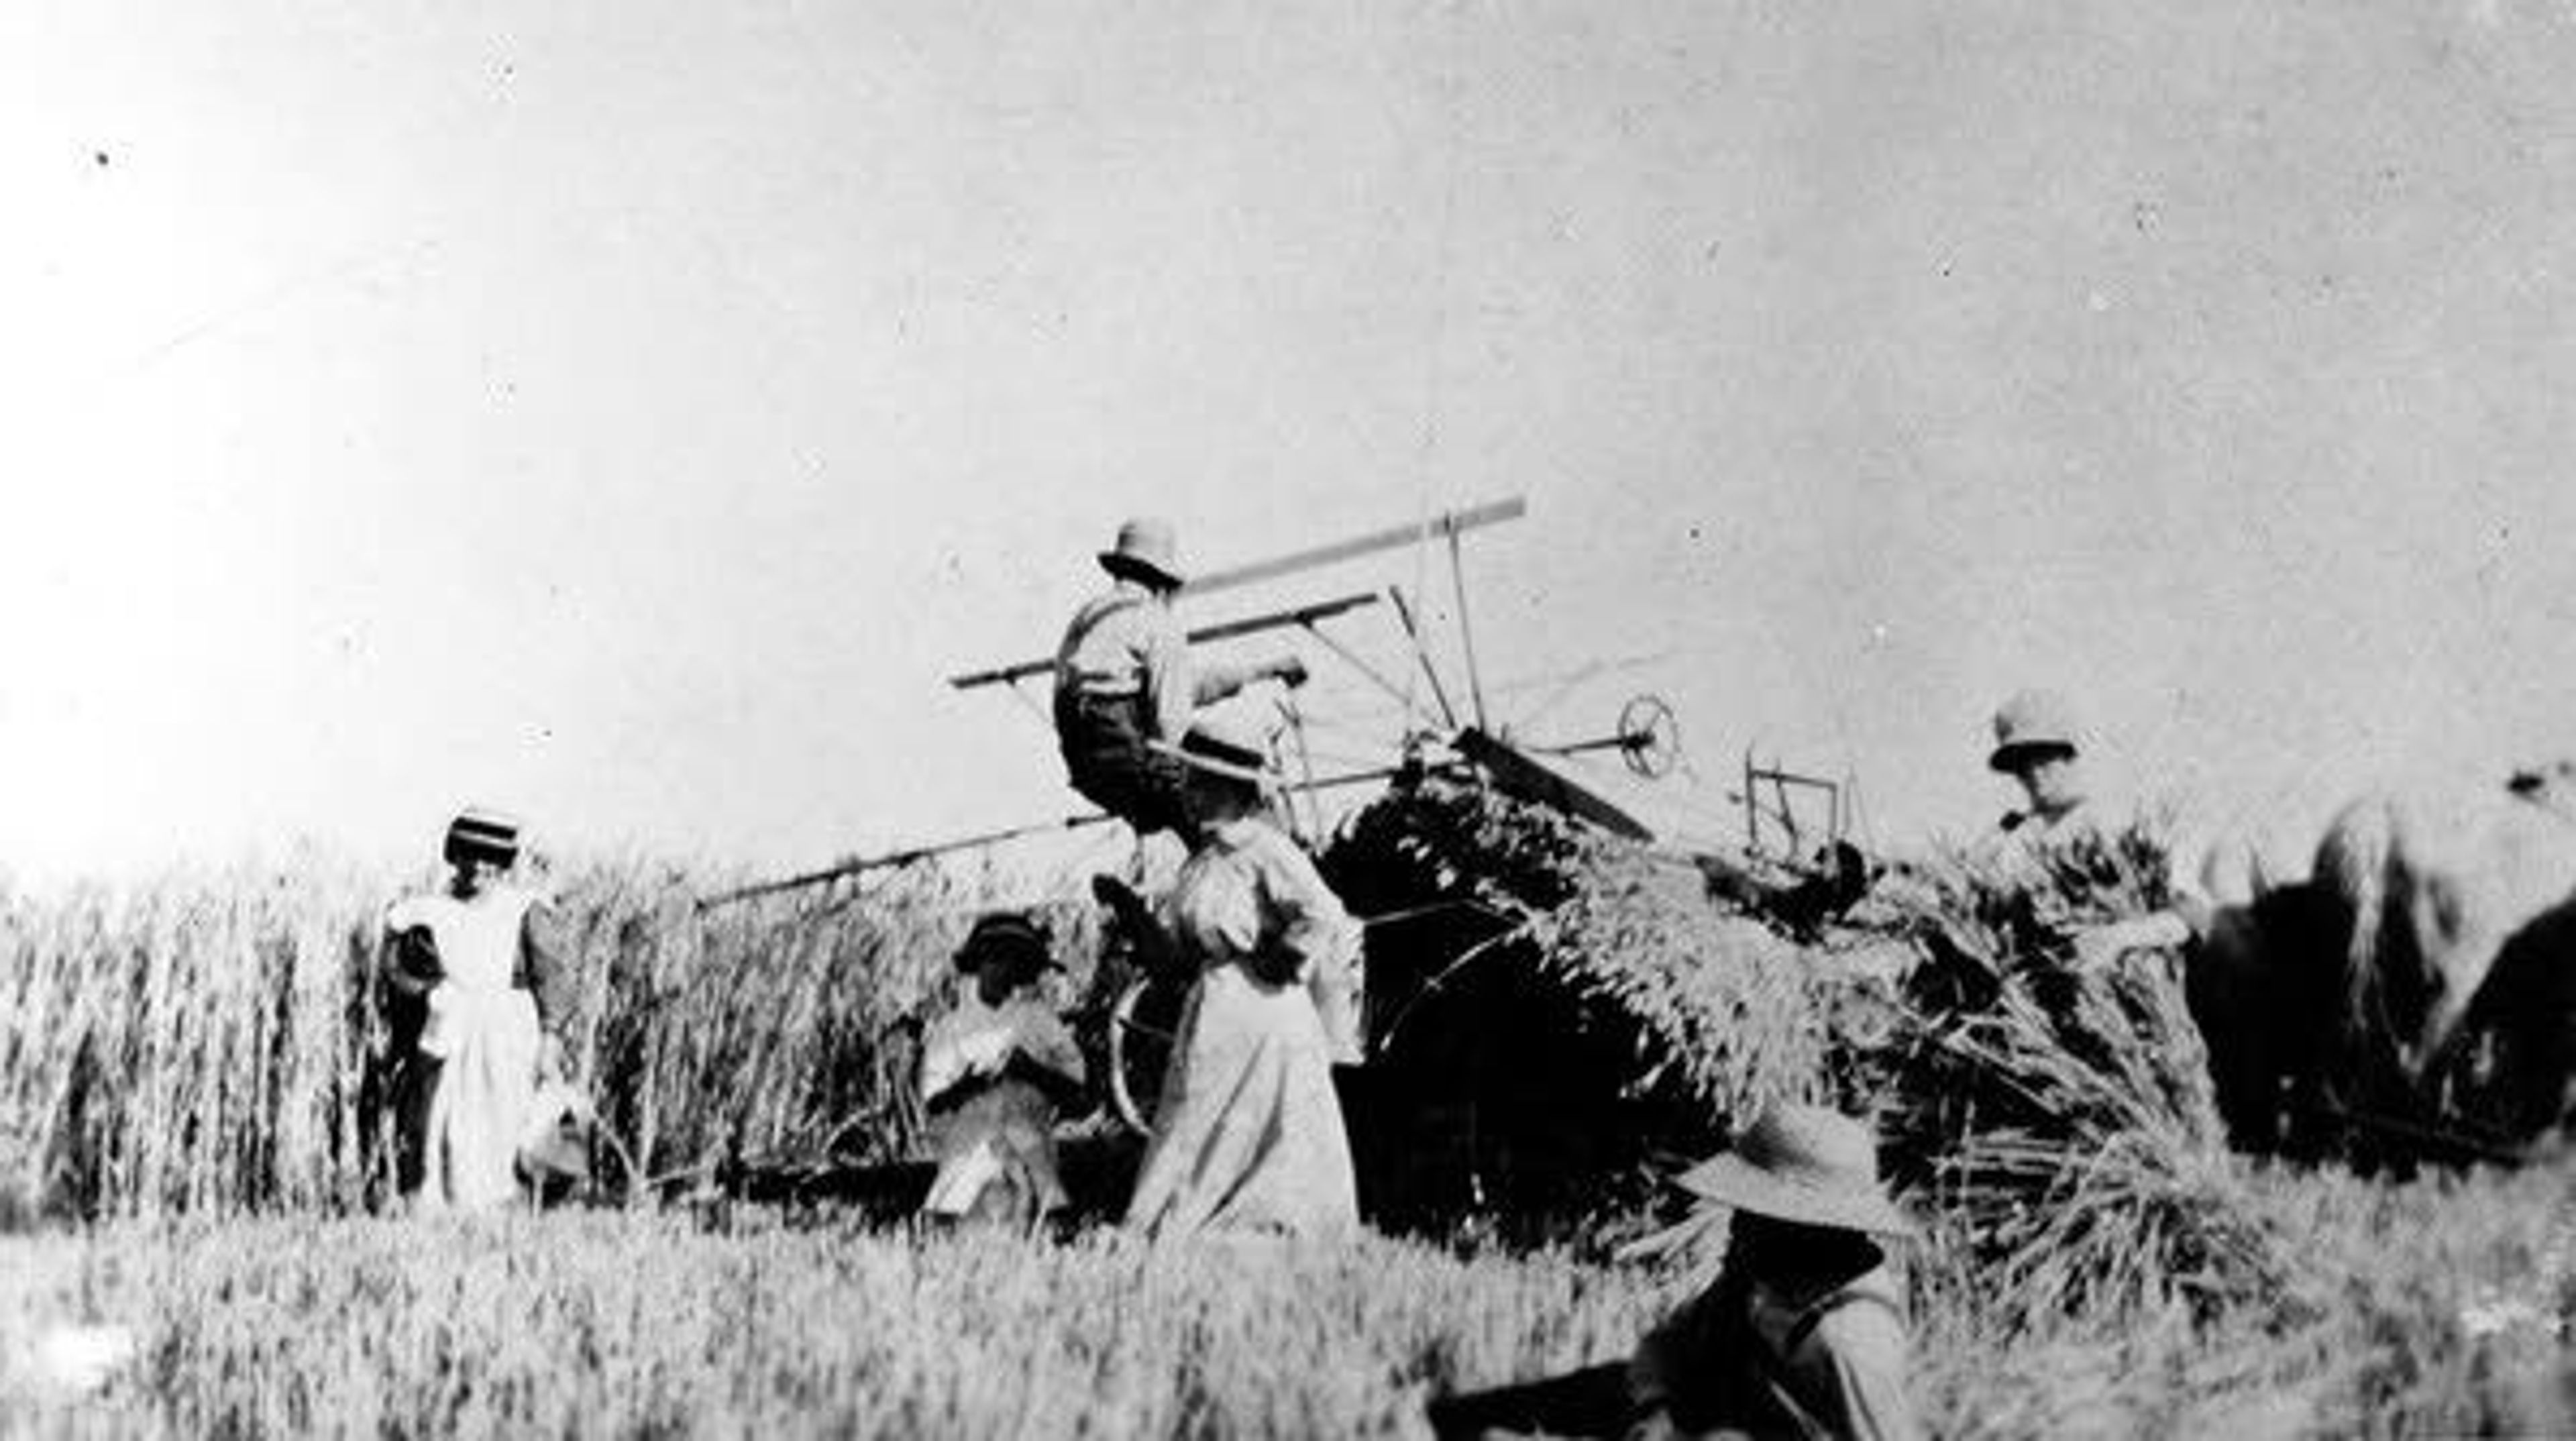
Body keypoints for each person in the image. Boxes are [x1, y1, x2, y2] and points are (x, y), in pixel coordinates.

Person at [1427, 1103, 1921, 1441]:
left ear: (1807, 1229)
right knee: (1468, 1419)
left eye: (1755, 1214)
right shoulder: (1760, 1274)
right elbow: (1669, 1344)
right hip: (1691, 1410)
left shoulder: (1852, 1343)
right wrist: (1655, 1410)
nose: (1735, 1226)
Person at [1122, 709, 1364, 1238]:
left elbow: (1323, 910)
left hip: (1264, 1008)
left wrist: (1285, 954)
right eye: (1189, 780)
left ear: (1231, 787)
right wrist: (1129, 911)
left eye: (1200, 781)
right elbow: (1179, 956)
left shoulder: (1264, 849)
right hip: (1215, 1004)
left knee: (1260, 1124)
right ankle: (1180, 1219)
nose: (1189, 791)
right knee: (1198, 1111)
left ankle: (1264, 1226)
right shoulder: (1202, 861)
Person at [1053, 517, 1309, 838]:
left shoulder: (1089, 617)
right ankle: (1277, 861)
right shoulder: (1157, 622)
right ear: (1164, 583)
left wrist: (1262, 670)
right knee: (1230, 791)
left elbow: (1178, 686)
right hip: (1128, 754)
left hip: (1085, 764)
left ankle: (1186, 876)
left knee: (1182, 815)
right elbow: (1172, 719)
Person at [379, 808, 577, 1212]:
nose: (478, 867)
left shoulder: (525, 909)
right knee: (448, 1116)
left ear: (503, 864)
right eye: (469, 855)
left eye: (490, 858)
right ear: (455, 856)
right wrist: (430, 992)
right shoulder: (428, 910)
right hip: (451, 1025)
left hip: (509, 1028)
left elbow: (551, 977)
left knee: (506, 1112)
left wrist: (551, 1037)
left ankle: (509, 1206)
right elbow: (397, 968)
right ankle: (450, 1205)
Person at [1980, 688, 2201, 967]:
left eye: (2045, 756)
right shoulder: (2005, 841)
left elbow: (2194, 912)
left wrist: (2121, 936)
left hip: (2134, 989)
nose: (2034, 772)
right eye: (2021, 762)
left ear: (2070, 755)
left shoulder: (2122, 823)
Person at [918, 911, 1088, 1229]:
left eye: (1014, 960)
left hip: (1029, 1143)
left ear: (1024, 969)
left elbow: (1078, 1093)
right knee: (956, 1221)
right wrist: (969, 1086)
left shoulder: (1040, 1022)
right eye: (994, 958)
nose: (1002, 969)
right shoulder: (952, 1027)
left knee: (1043, 1216)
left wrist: (1032, 1071)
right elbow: (934, 1102)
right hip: (971, 1145)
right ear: (977, 962)